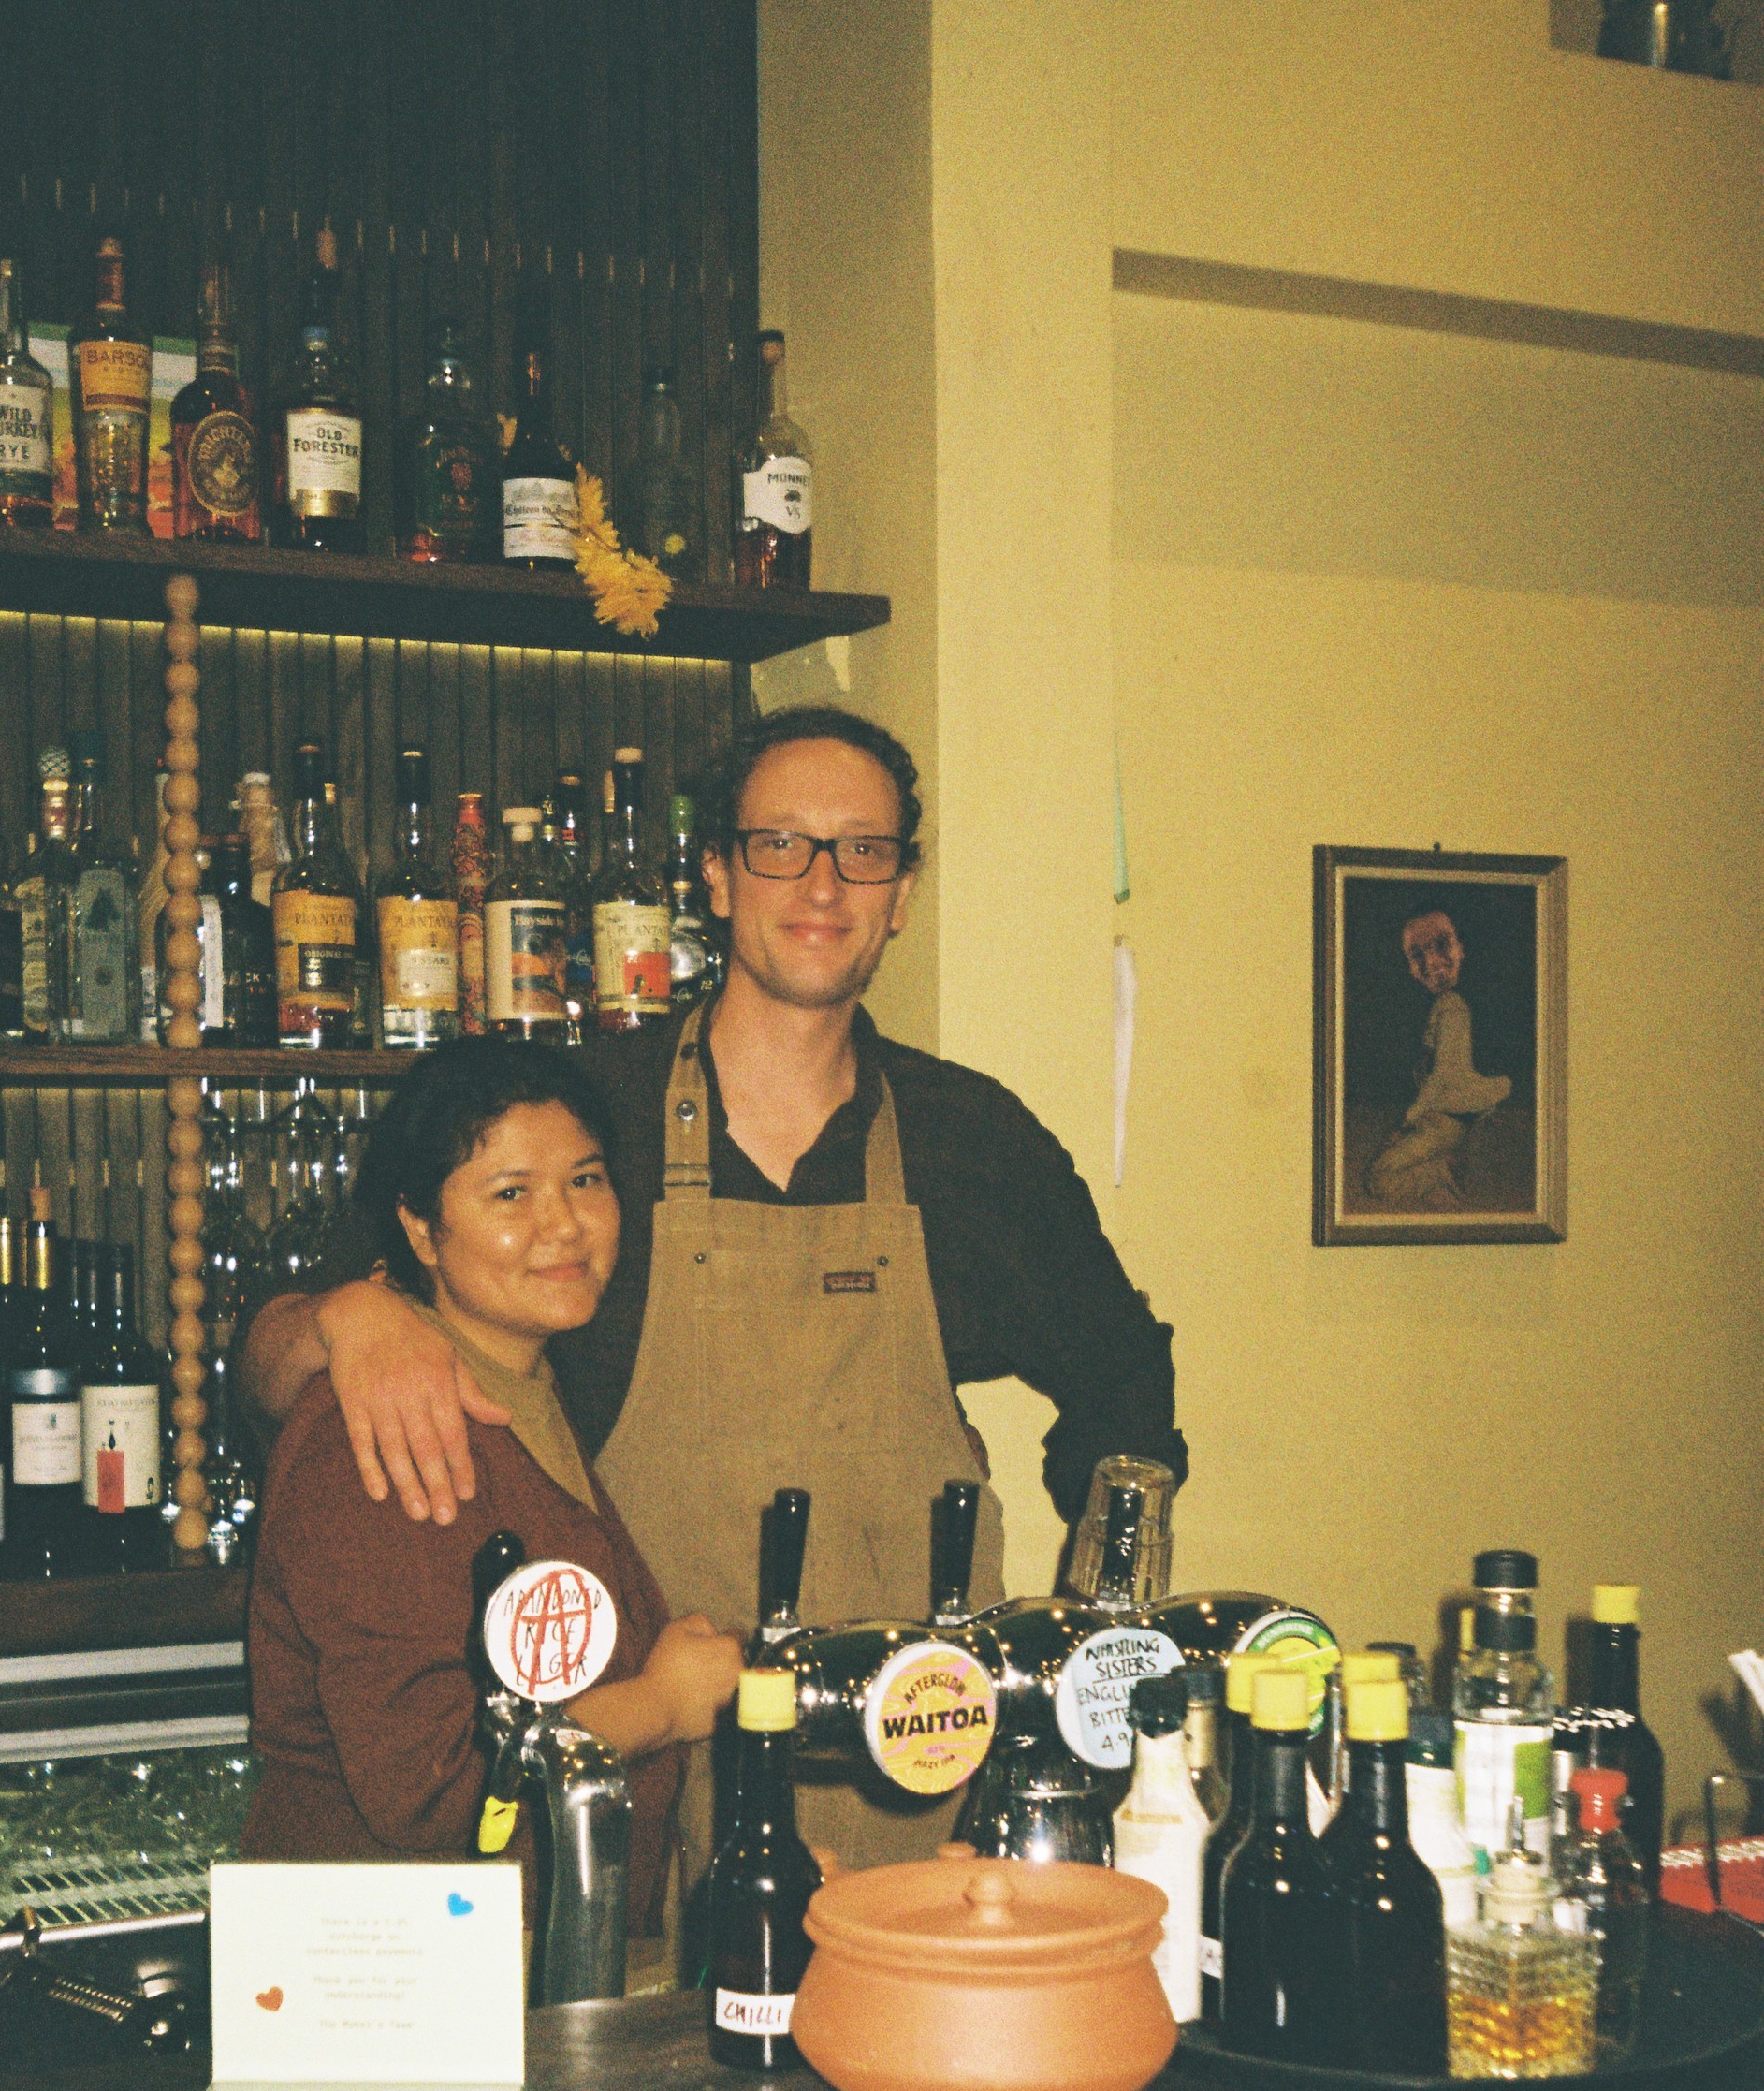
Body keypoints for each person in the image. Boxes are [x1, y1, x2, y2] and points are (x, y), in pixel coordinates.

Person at [243, 706, 1185, 1877]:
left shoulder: (969, 1140)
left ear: (899, 893)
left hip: (910, 1791)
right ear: (717, 879)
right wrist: (346, 1317)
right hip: (638, 1785)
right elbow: (273, 1355)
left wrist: (1089, 1659)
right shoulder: (587, 1122)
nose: (823, 882)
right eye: (780, 844)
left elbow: (1124, 1385)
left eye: (865, 850)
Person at [239, 1038, 742, 1948]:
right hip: (387, 1990)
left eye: (584, 1181)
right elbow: (430, 1780)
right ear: (422, 1230)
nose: (563, 1226)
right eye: (509, 1194)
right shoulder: (384, 1431)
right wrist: (662, 1703)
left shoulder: (530, 1383)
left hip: (511, 1986)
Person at [1364, 907, 1510, 1206]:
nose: (1432, 962)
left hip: (1446, 1123)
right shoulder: (1441, 1006)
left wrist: (1405, 1123)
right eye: (1418, 955)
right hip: (1436, 1120)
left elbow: (1443, 1078)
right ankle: (1436, 1173)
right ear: (1408, 967)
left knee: (1379, 1177)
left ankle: (1437, 1176)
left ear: (1461, 948)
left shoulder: (1453, 1008)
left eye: (1441, 945)